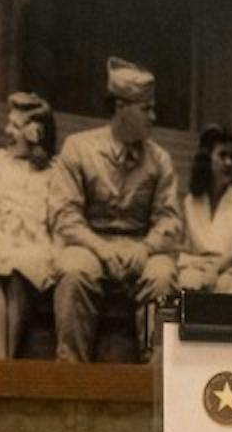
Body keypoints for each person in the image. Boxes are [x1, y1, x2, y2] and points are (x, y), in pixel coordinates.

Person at [48, 58, 183, 362]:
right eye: (145, 108)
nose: (154, 116)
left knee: (163, 275)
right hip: (90, 245)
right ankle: (70, 375)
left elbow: (170, 220)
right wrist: (101, 249)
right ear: (121, 108)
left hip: (140, 248)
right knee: (73, 270)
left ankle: (157, 376)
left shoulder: (159, 159)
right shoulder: (78, 148)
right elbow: (64, 216)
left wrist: (146, 248)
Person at [0, 92, 59, 359]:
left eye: (16, 127)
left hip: (34, 236)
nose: (8, 131)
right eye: (8, 124)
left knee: (24, 266)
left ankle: (8, 359)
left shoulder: (54, 171)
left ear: (36, 133)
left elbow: (54, 219)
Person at [177, 126, 232, 295]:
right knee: (188, 280)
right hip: (196, 268)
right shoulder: (190, 202)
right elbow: (183, 250)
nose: (229, 163)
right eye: (222, 155)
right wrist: (201, 269)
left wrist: (213, 271)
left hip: (231, 271)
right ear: (207, 159)